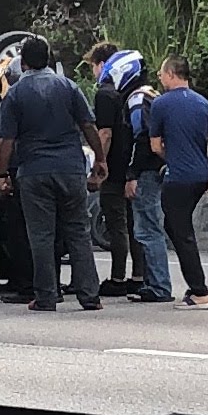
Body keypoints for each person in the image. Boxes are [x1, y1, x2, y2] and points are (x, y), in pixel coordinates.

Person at [0, 36, 107, 312]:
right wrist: (100, 158)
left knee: (41, 235)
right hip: (70, 168)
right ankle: (90, 295)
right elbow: (88, 125)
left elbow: (6, 140)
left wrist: (2, 173)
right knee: (78, 231)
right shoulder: (68, 87)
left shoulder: (15, 94)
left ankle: (46, 296)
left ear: (24, 62)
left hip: (34, 171)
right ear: (50, 58)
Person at [150, 55, 208, 310]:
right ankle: (196, 283)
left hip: (177, 177)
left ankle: (199, 291)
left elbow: (155, 145)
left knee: (181, 232)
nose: (159, 78)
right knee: (176, 227)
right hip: (199, 177)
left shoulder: (160, 104)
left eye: (161, 73)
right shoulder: (204, 104)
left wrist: (170, 157)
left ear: (171, 73)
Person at [85, 42, 145, 297]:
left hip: (114, 168)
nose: (94, 73)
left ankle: (118, 277)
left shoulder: (105, 93)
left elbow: (105, 133)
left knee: (116, 223)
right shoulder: (130, 92)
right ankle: (139, 275)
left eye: (93, 67)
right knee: (133, 224)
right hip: (131, 165)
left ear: (103, 65)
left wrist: (99, 165)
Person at [120, 59, 173, 303]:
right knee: (151, 227)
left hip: (147, 173)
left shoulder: (137, 99)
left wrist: (131, 174)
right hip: (158, 169)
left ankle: (159, 286)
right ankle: (156, 283)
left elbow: (141, 140)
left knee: (148, 229)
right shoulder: (153, 94)